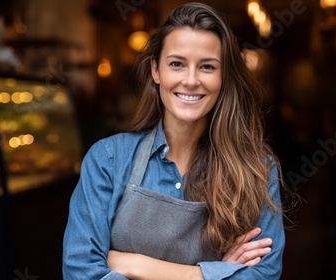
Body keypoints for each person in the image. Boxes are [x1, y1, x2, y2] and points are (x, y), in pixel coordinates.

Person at [63, 2, 288, 279]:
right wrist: (219, 273)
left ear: (224, 76)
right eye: (177, 64)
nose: (191, 80)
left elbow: (263, 275)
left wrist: (138, 267)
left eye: (207, 66)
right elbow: (81, 272)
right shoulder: (108, 160)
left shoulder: (257, 170)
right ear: (156, 71)